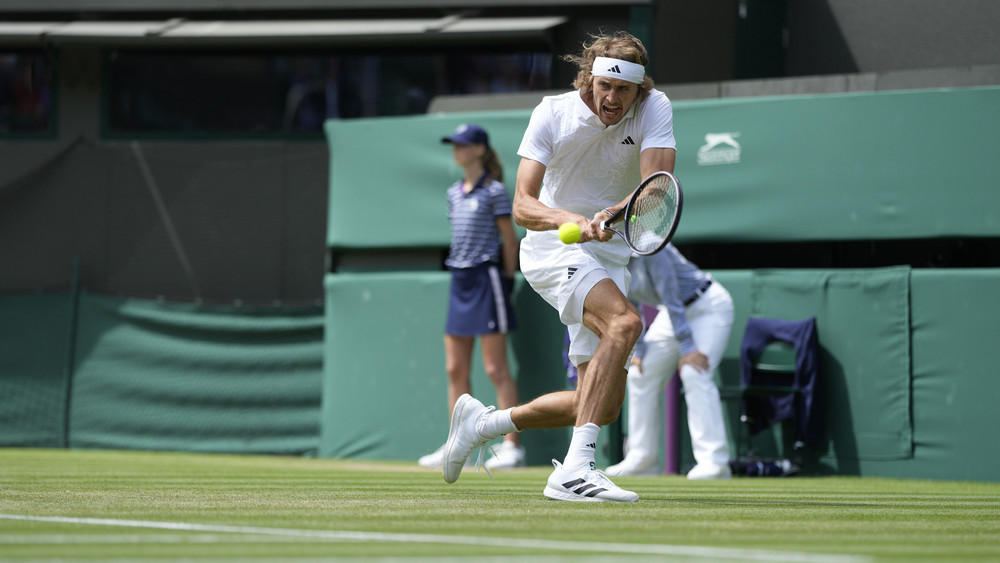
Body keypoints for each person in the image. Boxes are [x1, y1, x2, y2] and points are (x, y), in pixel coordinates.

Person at [440, 31, 676, 502]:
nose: (612, 98)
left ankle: (482, 424)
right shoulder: (551, 111)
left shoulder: (655, 106)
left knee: (602, 404)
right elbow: (523, 205)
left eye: (623, 90)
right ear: (589, 76)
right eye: (604, 85)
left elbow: (656, 189)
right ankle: (576, 470)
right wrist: (569, 218)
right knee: (625, 323)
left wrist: (610, 214)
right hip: (551, 247)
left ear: (639, 89)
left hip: (610, 251)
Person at [418, 123, 526, 471]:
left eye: (463, 145)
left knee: (495, 368)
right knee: (454, 368)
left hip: (487, 278)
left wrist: (506, 282)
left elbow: (510, 241)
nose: (457, 150)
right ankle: (456, 445)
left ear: (480, 149)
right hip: (459, 280)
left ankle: (512, 447)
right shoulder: (453, 193)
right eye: (454, 145)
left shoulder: (495, 191)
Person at [605, 244, 735, 480]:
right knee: (640, 374)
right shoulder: (612, 257)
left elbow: (671, 296)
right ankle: (642, 458)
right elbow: (631, 306)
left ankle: (715, 462)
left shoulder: (650, 246)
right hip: (672, 315)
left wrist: (687, 347)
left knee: (694, 372)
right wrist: (640, 350)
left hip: (708, 307)